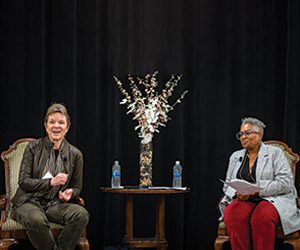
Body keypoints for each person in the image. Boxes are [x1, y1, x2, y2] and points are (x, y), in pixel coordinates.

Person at [11, 103, 89, 250]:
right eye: (52, 122)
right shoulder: (33, 147)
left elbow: (77, 187)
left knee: (81, 214)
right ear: (46, 126)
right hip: (28, 202)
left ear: (67, 127)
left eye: (61, 122)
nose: (56, 126)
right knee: (37, 220)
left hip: (55, 204)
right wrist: (50, 182)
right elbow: (23, 182)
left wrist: (70, 193)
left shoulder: (76, 154)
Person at [219, 117, 300, 250]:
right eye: (241, 134)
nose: (243, 137)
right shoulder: (235, 156)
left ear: (259, 135)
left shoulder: (275, 153)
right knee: (232, 213)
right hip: (244, 199)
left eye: (247, 133)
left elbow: (286, 183)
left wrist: (256, 191)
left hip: (273, 199)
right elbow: (227, 184)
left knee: (262, 216)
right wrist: (236, 193)